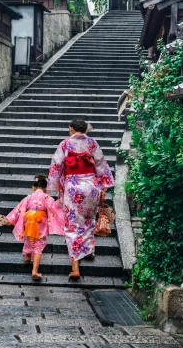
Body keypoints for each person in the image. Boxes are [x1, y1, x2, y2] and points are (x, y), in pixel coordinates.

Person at [47, 118, 114, 280]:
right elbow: (101, 165)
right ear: (84, 130)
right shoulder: (92, 144)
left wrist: (55, 188)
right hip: (91, 185)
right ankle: (89, 249)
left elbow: (56, 166)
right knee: (89, 219)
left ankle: (75, 268)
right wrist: (104, 186)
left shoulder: (65, 145)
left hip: (73, 186)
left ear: (71, 129)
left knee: (72, 225)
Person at [0, 174, 65, 280]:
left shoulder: (28, 197)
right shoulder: (47, 197)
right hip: (40, 221)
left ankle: (27, 257)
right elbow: (54, 208)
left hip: (28, 219)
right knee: (38, 245)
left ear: (34, 187)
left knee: (29, 238)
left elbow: (19, 209)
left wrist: (9, 220)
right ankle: (35, 271)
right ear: (45, 188)